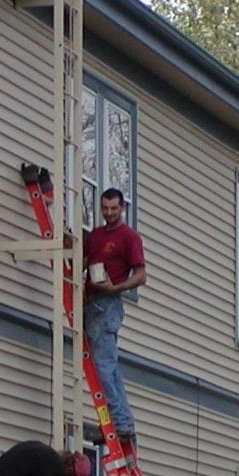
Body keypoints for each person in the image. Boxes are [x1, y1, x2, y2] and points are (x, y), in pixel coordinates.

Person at [83, 187, 147, 440]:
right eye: (105, 208)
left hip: (108, 304)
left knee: (103, 365)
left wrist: (115, 287)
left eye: (114, 209)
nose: (109, 213)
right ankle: (123, 421)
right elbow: (83, 258)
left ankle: (119, 423)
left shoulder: (129, 237)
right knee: (109, 366)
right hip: (91, 302)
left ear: (122, 208)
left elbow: (141, 275)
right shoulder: (96, 235)